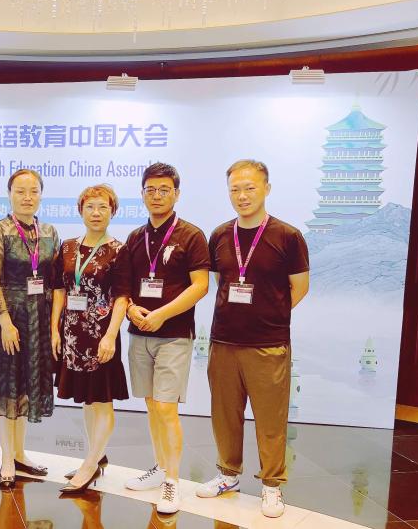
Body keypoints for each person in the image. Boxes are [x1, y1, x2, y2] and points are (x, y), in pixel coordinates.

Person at [196, 159, 309, 518]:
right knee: (224, 415)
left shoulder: (287, 236)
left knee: (270, 419)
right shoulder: (219, 235)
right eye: (235, 189)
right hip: (224, 341)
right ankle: (228, 475)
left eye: (250, 188)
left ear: (266, 189)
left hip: (268, 344)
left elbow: (300, 287)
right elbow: (222, 282)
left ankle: (272, 485)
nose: (242, 196)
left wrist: (268, 313)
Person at [111, 162, 210, 515]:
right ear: (142, 194)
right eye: (150, 190)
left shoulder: (191, 235)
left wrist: (162, 314)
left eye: (164, 190)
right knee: (152, 405)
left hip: (174, 336)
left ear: (176, 194)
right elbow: (124, 287)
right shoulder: (135, 238)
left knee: (167, 408)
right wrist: (131, 310)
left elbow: (201, 285)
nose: (157, 196)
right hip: (139, 334)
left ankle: (172, 481)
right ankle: (159, 467)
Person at [0, 168, 60, 488]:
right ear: (9, 194)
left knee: (25, 387)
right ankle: (7, 458)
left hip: (38, 319)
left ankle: (21, 454)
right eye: (20, 191)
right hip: (8, 320)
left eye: (33, 191)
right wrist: (5, 322)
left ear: (41, 195)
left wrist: (52, 325)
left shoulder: (49, 231)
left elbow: (54, 281)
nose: (27, 197)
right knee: (5, 389)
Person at [50, 184, 129, 494]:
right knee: (87, 398)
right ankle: (95, 455)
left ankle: (90, 464)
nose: (96, 213)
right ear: (80, 211)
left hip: (101, 336)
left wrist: (111, 335)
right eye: (90, 207)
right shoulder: (68, 247)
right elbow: (60, 289)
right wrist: (54, 328)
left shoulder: (119, 250)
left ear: (113, 212)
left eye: (103, 207)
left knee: (102, 400)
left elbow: (122, 297)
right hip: (72, 334)